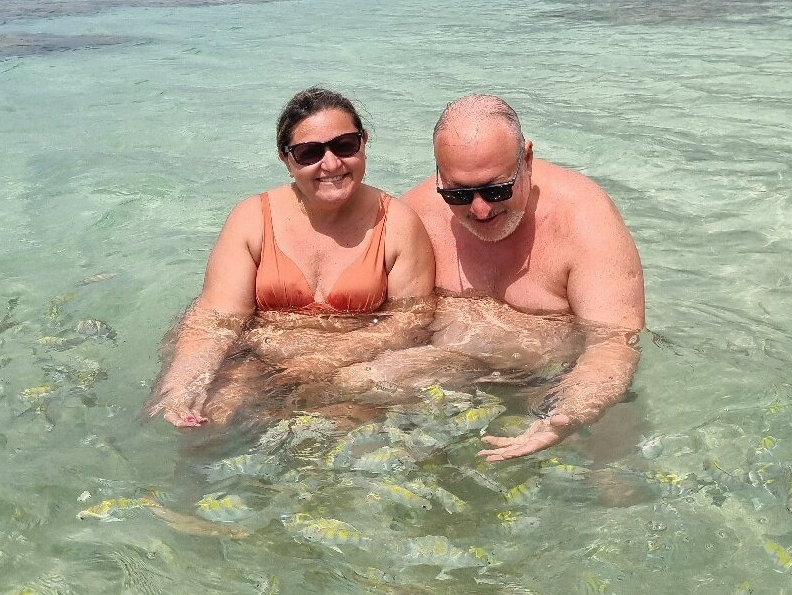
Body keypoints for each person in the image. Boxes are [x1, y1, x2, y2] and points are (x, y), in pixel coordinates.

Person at [348, 93, 645, 461]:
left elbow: (614, 343)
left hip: (558, 382)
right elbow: (373, 321)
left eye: (496, 190)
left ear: (527, 161)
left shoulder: (584, 220)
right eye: (458, 193)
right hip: (450, 376)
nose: (480, 209)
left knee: (613, 478)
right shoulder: (414, 216)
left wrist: (570, 411)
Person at [146, 87, 436, 428]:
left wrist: (318, 363)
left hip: (354, 367)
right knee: (203, 424)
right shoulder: (251, 219)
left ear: (364, 143)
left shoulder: (398, 224)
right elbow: (215, 318)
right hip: (256, 361)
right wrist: (185, 382)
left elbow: (408, 325)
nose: (331, 164)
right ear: (286, 159)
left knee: (346, 427)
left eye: (345, 145)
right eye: (309, 153)